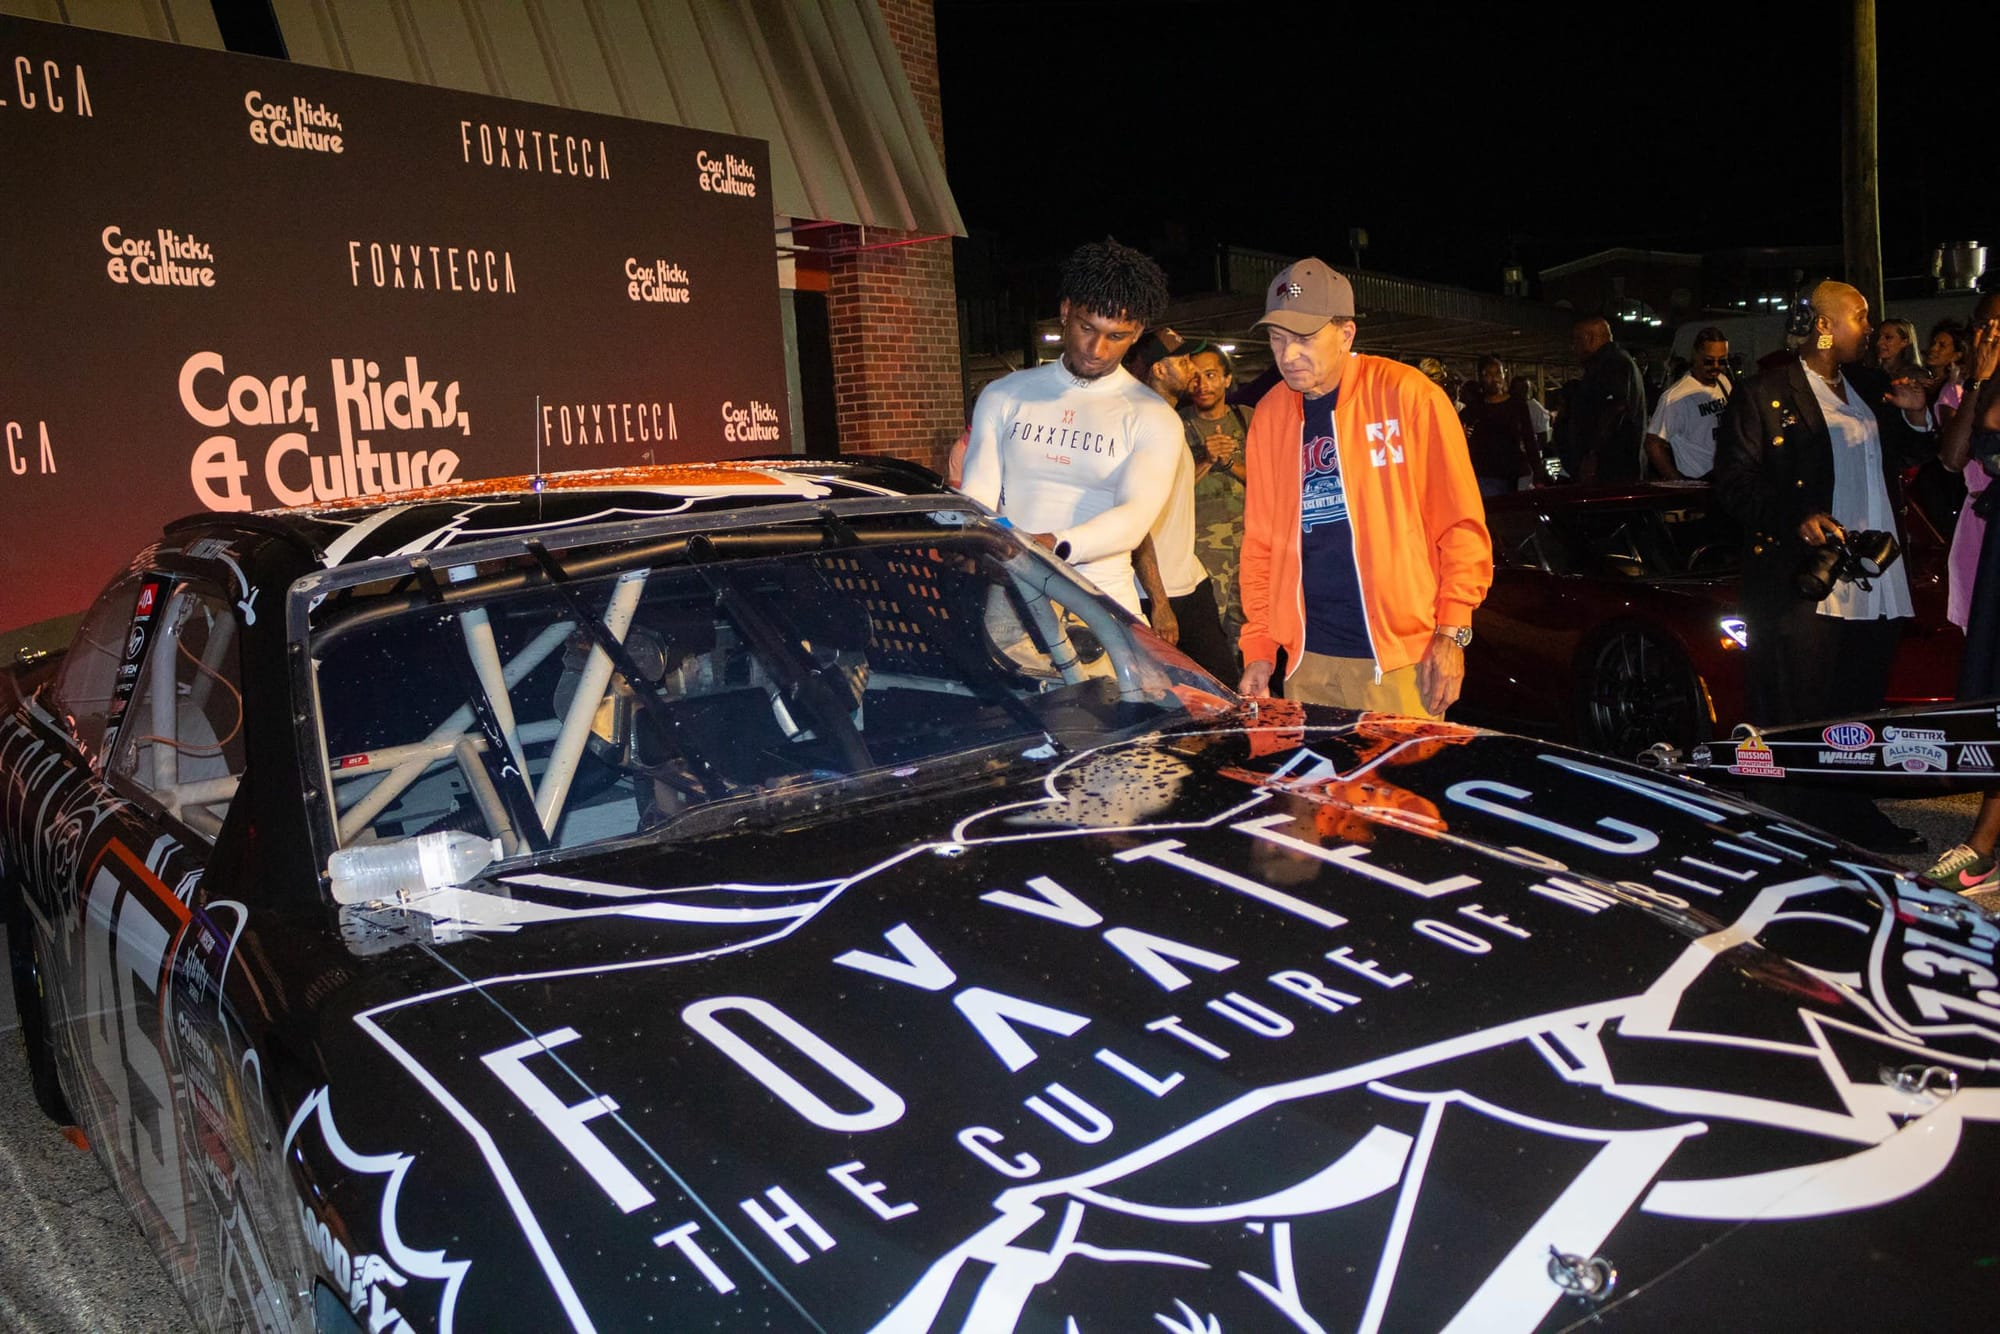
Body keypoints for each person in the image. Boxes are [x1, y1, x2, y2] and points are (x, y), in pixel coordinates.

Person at [1712, 280, 1934, 852]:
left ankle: (1851, 815)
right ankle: (1791, 824)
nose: (1870, 325)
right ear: (1826, 325)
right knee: (1796, 709)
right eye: (1859, 316)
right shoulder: (1764, 391)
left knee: (1856, 707)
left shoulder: (1866, 386)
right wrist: (1796, 517)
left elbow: (1910, 458)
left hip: (1872, 575)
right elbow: (1733, 484)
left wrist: (1915, 418)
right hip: (1805, 580)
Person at [1235, 257, 1491, 717]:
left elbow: (1461, 525)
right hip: (1306, 661)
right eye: (1277, 338)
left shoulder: (1408, 395)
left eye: (1304, 338)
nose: (1288, 355)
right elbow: (1260, 543)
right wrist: (1259, 645)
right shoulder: (1270, 415)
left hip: (1400, 662)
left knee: (1402, 789)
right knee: (1314, 789)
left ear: (1346, 334)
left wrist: (1452, 631)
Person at [961, 240, 1183, 618]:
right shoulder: (1004, 395)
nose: (1096, 349)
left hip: (1103, 610)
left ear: (1137, 332)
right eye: (1087, 327)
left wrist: (1051, 544)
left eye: (1116, 336)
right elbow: (977, 497)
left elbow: (1133, 520)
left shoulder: (1153, 417)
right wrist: (971, 539)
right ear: (1065, 311)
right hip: (1012, 600)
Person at [1926, 302, 2000, 891]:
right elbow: (1953, 457)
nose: (1990, 335)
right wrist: (1978, 378)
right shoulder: (1978, 378)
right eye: (1984, 325)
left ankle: (1983, 845)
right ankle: (1983, 849)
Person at [1125, 329, 1236, 680]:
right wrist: (1159, 604)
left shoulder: (1168, 418)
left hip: (1190, 578)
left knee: (1219, 686)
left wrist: (1205, 461)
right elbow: (1136, 519)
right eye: (1183, 361)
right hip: (1162, 591)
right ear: (1159, 370)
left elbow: (1173, 490)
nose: (1192, 369)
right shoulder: (1145, 422)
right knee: (1180, 694)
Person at [1181, 342, 1251, 656]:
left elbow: (1273, 482)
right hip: (1197, 556)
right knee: (1207, 646)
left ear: (1226, 379)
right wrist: (1207, 460)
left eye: (1210, 375)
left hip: (1249, 553)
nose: (1201, 384)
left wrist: (1229, 464)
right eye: (1194, 376)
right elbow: (1166, 491)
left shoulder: (1248, 419)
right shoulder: (1175, 424)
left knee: (1250, 643)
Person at [1564, 315, 1647, 482]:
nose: (1574, 347)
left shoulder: (1612, 363)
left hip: (1611, 467)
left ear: (1591, 338)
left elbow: (1615, 408)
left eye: (1577, 340)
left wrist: (1593, 454)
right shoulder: (1616, 361)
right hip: (1614, 464)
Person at [1643, 328, 1733, 481]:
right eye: (1709, 361)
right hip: (1700, 481)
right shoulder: (1675, 397)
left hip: (1725, 477)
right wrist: (1681, 483)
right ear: (1695, 356)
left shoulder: (1723, 382)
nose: (1716, 366)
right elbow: (1653, 444)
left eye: (1722, 360)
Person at [1460, 355, 1539, 496]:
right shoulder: (1475, 408)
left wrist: (1538, 471)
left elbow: (1529, 439)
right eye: (1488, 374)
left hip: (1516, 471)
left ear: (1504, 374)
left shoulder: (1517, 404)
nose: (1494, 379)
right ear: (1481, 377)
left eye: (1497, 373)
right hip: (1487, 474)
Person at [1873, 316, 1923, 385]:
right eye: (1879, 337)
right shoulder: (1872, 374)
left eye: (1888, 337)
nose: (1879, 342)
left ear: (1904, 342)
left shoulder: (1918, 377)